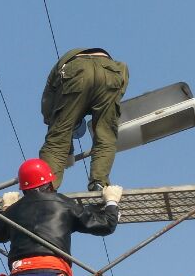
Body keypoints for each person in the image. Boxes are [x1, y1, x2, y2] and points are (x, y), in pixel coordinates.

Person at [39, 47, 129, 191]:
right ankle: (99, 183)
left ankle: (46, 188)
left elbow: (52, 119)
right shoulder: (119, 67)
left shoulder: (54, 79)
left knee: (57, 138)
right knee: (105, 135)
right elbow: (122, 73)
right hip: (111, 70)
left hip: (76, 70)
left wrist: (67, 152)